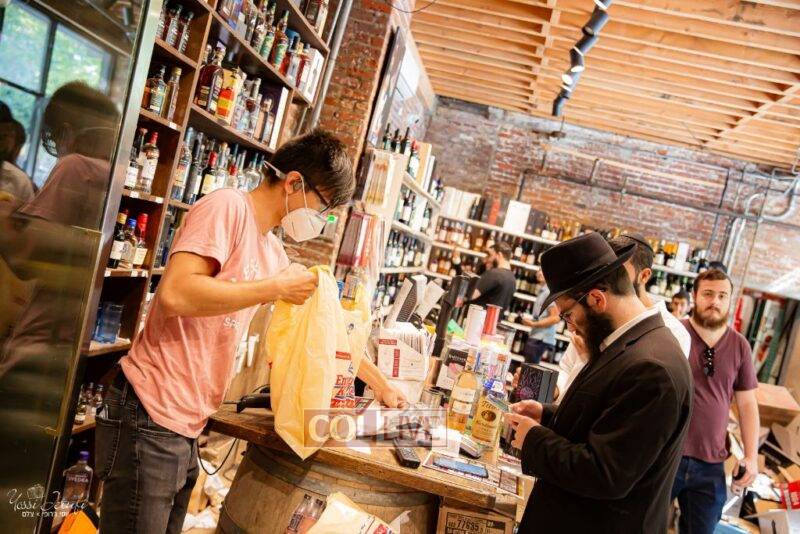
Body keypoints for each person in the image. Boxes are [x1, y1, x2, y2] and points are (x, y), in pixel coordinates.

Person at [95, 130, 406, 533]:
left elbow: (326, 335)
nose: (323, 221)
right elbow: (175, 293)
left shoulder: (272, 251)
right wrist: (273, 288)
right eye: (324, 207)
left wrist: (382, 386)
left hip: (186, 423)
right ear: (293, 183)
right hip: (149, 408)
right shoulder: (227, 207)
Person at [505, 232, 692, 533]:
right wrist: (548, 416)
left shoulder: (653, 368)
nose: (570, 326)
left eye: (568, 315)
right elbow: (607, 419)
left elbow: (606, 473)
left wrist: (533, 439)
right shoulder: (628, 343)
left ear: (596, 299)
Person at [671, 268, 760, 534]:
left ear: (730, 300)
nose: (715, 301)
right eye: (708, 294)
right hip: (668, 454)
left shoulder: (740, 346)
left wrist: (752, 457)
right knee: (642, 525)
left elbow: (747, 405)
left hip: (710, 465)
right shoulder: (673, 333)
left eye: (722, 296)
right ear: (695, 296)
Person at [555, 234, 691, 399]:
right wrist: (556, 391)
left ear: (644, 276)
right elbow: (566, 366)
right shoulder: (597, 315)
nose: (609, 278)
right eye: (605, 271)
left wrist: (590, 363)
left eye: (619, 271)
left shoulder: (674, 332)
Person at [520, 269, 560, 363]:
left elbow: (555, 318)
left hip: (541, 338)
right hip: (537, 336)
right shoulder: (543, 291)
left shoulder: (548, 292)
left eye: (542, 270)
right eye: (538, 270)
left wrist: (533, 324)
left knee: (529, 368)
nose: (539, 273)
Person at [465, 241, 516, 312]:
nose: (488, 259)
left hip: (479, 317)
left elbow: (471, 295)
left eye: (491, 255)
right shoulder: (512, 279)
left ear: (499, 255)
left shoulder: (494, 274)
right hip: (495, 318)